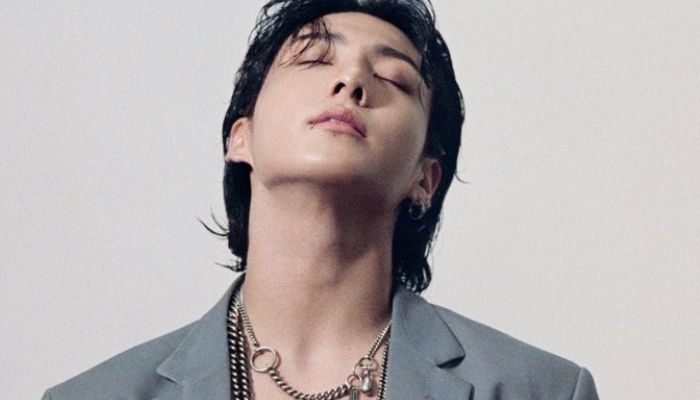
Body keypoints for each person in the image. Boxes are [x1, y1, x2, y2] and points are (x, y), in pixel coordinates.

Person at [42, 0, 599, 399]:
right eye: (313, 58)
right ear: (241, 137)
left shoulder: (543, 389)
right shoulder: (92, 395)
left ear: (425, 179)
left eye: (394, 79)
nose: (352, 80)